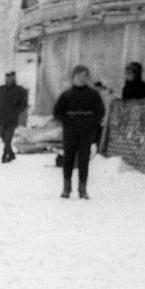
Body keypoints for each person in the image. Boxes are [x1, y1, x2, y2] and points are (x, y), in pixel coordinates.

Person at [52, 65, 105, 199]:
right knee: (68, 159)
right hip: (70, 132)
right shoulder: (66, 95)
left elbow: (100, 112)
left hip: (86, 132)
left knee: (83, 161)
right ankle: (66, 188)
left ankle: (83, 189)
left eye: (85, 76)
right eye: (79, 76)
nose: (82, 79)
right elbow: (57, 112)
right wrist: (67, 120)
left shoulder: (93, 95)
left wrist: (91, 122)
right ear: (73, 77)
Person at [0, 71, 28, 163]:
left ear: (14, 78)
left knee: (8, 137)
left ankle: (5, 155)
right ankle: (11, 153)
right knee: (2, 136)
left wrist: (16, 112)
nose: (8, 80)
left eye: (11, 78)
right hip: (1, 117)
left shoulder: (20, 90)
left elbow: (23, 103)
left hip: (12, 118)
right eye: (7, 78)